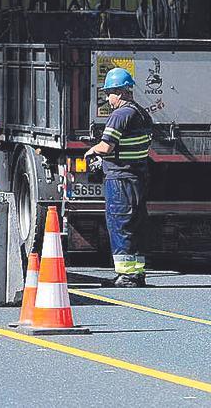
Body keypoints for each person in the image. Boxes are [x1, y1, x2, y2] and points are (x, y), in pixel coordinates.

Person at [83, 67, 153, 287]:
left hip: (120, 178)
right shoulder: (142, 113)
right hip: (137, 176)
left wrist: (91, 151)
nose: (107, 98)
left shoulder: (120, 115)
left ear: (121, 92)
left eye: (109, 92)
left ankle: (126, 275)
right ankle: (138, 272)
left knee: (120, 222)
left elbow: (106, 146)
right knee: (136, 224)